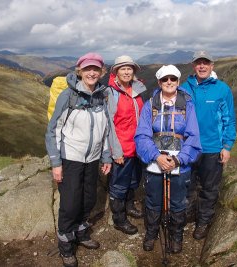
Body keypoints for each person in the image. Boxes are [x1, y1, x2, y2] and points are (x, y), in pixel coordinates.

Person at [45, 52, 112, 267]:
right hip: (71, 158)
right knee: (70, 203)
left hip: (92, 159)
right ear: (80, 71)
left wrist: (106, 156)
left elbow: (105, 129)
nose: (92, 73)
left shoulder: (102, 95)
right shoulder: (69, 96)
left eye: (96, 69)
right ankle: (66, 245)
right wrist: (56, 163)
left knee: (88, 198)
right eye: (87, 69)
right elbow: (52, 130)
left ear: (102, 72)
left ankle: (81, 233)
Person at [135, 65, 202, 253]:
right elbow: (142, 136)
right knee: (153, 200)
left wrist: (179, 160)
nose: (169, 82)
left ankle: (176, 235)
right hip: (155, 161)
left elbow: (194, 137)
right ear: (159, 82)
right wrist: (157, 156)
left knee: (178, 202)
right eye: (165, 79)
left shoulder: (187, 105)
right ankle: (151, 232)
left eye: (173, 79)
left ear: (178, 82)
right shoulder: (150, 105)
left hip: (180, 163)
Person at [181, 50, 236, 240]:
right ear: (193, 66)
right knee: (186, 185)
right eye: (198, 63)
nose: (202, 66)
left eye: (206, 63)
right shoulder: (184, 88)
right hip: (187, 148)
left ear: (212, 66)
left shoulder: (222, 89)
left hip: (212, 148)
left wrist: (227, 146)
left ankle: (203, 221)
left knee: (209, 188)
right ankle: (187, 215)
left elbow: (230, 119)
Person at [106, 55, 147, 235]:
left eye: (129, 68)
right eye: (122, 68)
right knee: (119, 185)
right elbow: (108, 124)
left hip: (137, 148)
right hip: (121, 148)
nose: (127, 71)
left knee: (133, 181)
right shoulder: (110, 93)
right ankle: (119, 219)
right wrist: (115, 151)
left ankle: (129, 206)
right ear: (115, 71)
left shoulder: (136, 90)